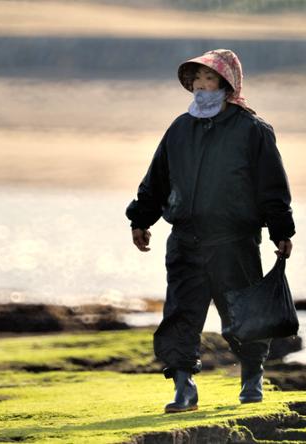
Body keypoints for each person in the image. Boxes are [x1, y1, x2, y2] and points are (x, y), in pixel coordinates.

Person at [125, 49, 295, 413]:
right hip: (185, 241)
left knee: (241, 314)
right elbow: (156, 180)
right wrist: (141, 219)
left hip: (234, 242)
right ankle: (183, 387)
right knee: (180, 314)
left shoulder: (253, 130)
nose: (202, 87)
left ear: (228, 84)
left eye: (210, 80)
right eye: (197, 81)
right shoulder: (179, 128)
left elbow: (272, 187)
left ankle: (252, 377)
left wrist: (281, 230)